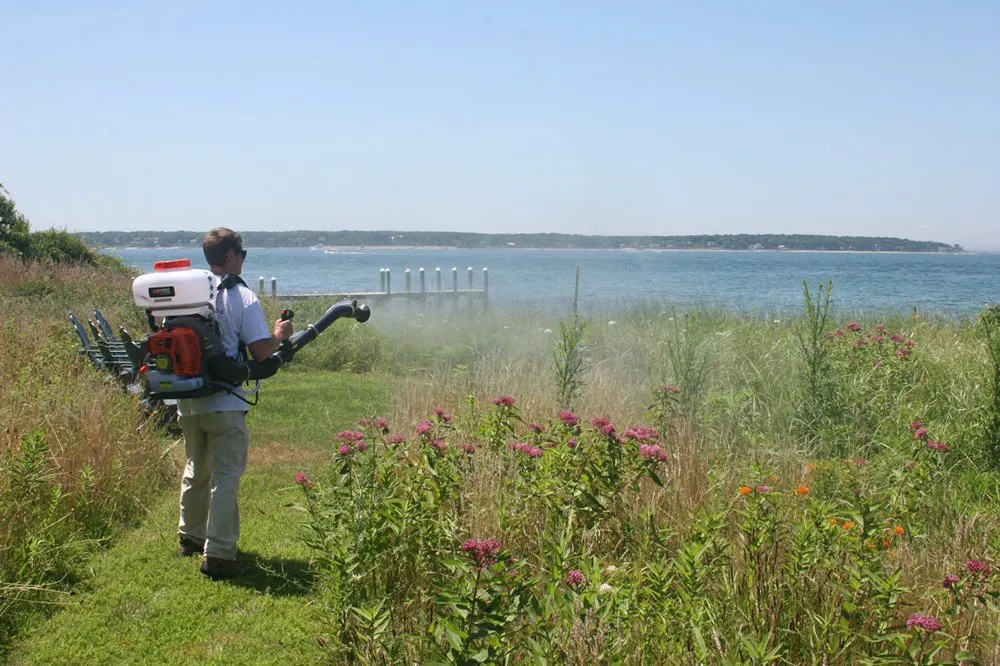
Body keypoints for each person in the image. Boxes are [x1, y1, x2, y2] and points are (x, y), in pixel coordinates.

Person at [175, 228, 293, 579]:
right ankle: (220, 554)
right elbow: (260, 351)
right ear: (229, 256)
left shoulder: (189, 294)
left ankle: (190, 536)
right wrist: (279, 336)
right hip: (223, 400)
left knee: (196, 467)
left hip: (187, 399)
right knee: (226, 476)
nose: (244, 258)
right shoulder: (241, 296)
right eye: (242, 252)